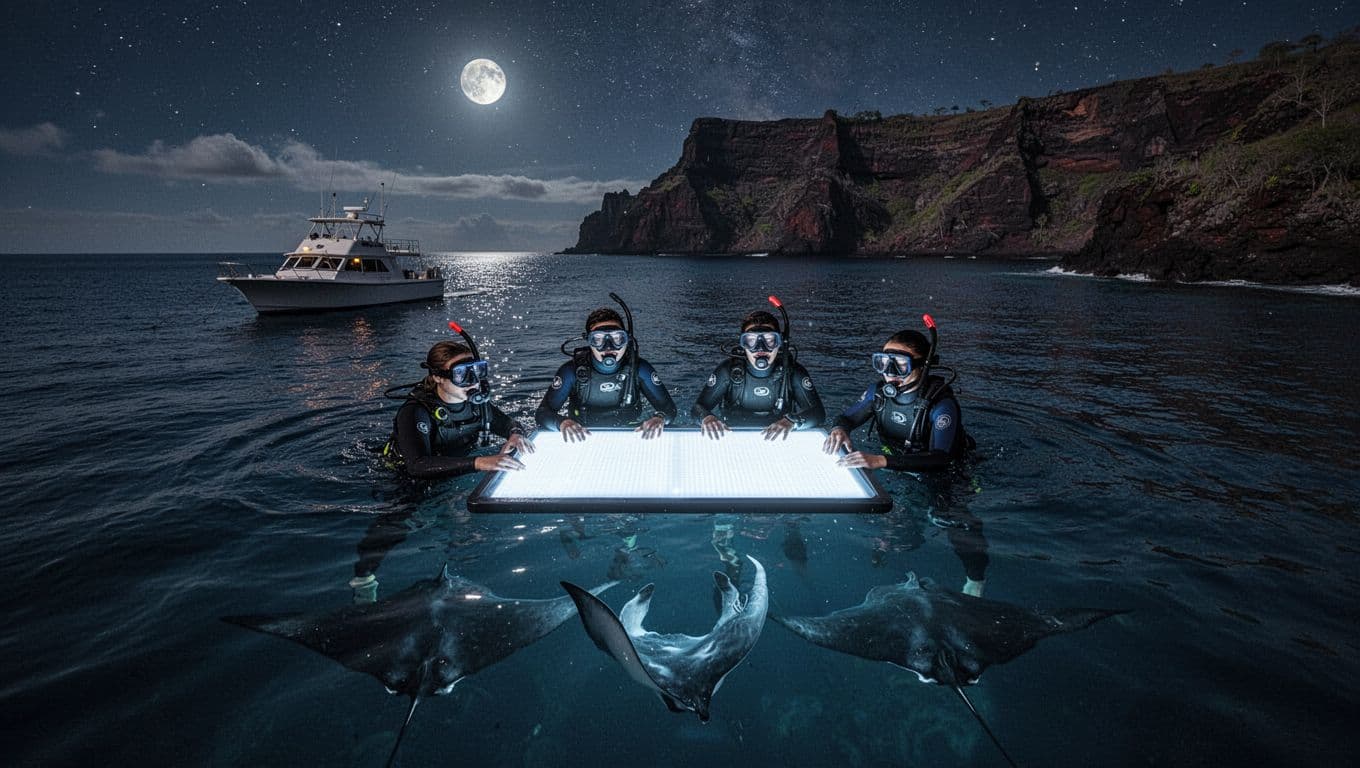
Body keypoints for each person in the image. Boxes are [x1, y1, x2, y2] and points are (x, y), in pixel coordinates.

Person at [382, 339, 533, 480]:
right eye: (461, 373)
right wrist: (479, 463)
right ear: (438, 377)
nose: (472, 380)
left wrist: (516, 434)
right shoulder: (416, 411)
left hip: (459, 468)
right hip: (409, 482)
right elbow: (417, 465)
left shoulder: (477, 404)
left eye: (476, 370)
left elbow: (508, 424)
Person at [824, 328, 970, 472]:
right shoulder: (878, 393)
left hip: (945, 475)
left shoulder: (941, 405)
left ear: (923, 366)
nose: (890, 372)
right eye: (884, 362)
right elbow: (846, 418)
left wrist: (880, 461)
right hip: (893, 460)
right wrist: (839, 429)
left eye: (901, 364)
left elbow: (941, 459)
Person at [536, 306, 678, 441]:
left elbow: (669, 409)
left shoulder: (640, 369)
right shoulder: (571, 372)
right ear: (589, 341)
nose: (608, 347)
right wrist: (561, 423)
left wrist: (659, 418)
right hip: (581, 435)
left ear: (626, 339)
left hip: (630, 433)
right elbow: (542, 414)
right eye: (598, 339)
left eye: (617, 338)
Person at [692, 309, 825, 440]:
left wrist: (793, 421)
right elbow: (698, 408)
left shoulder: (792, 372)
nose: (760, 347)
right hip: (733, 438)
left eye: (769, 339)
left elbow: (818, 413)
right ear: (743, 344)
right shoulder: (727, 371)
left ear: (779, 342)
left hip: (780, 439)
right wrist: (706, 418)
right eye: (751, 340)